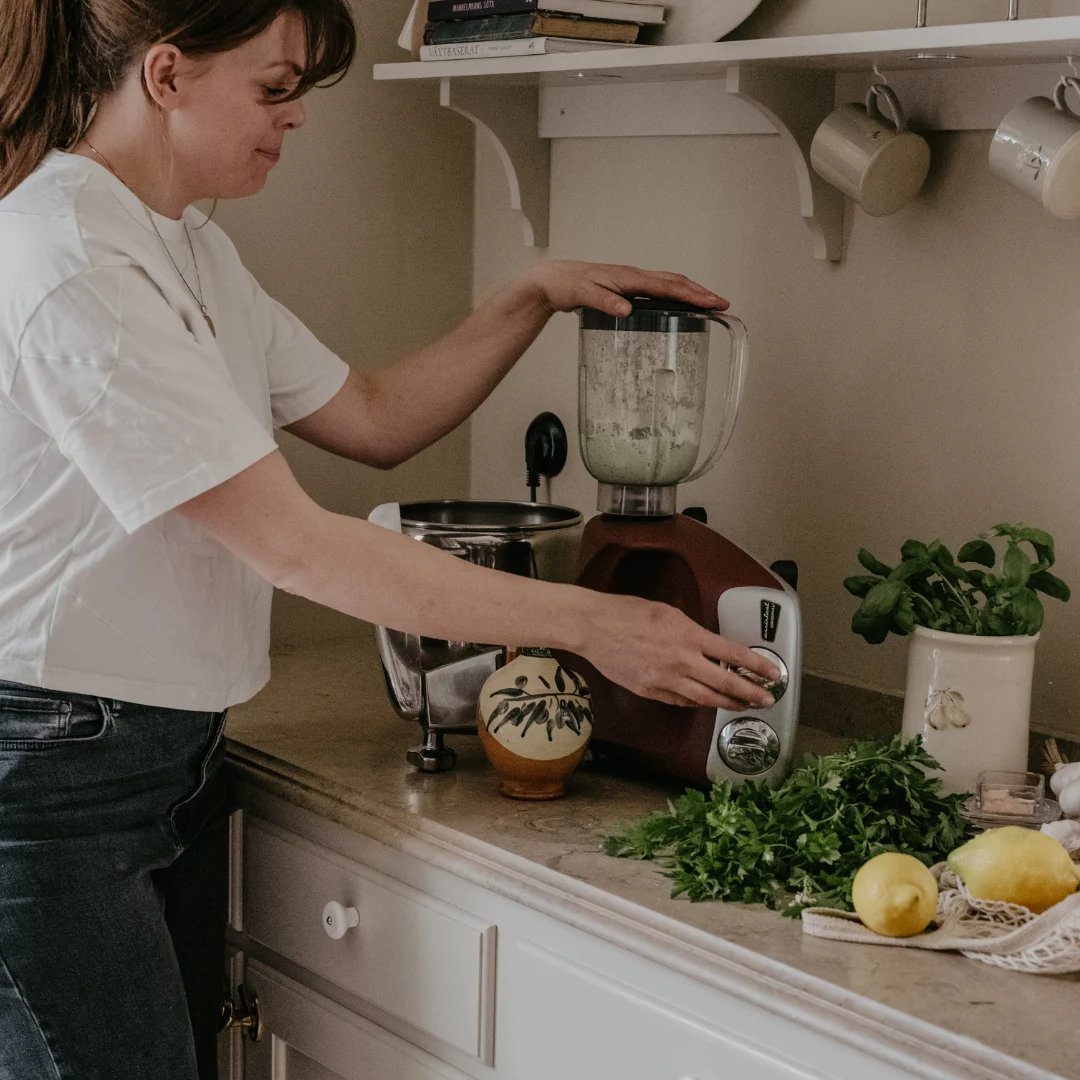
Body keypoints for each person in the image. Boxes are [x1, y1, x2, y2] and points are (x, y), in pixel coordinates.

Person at [0, 1, 779, 1077]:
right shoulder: (71, 253)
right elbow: (299, 548)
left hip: (147, 764)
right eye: (274, 89)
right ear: (167, 76)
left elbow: (370, 415)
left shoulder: (189, 249)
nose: (296, 119)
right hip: (44, 777)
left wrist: (531, 295)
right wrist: (598, 625)